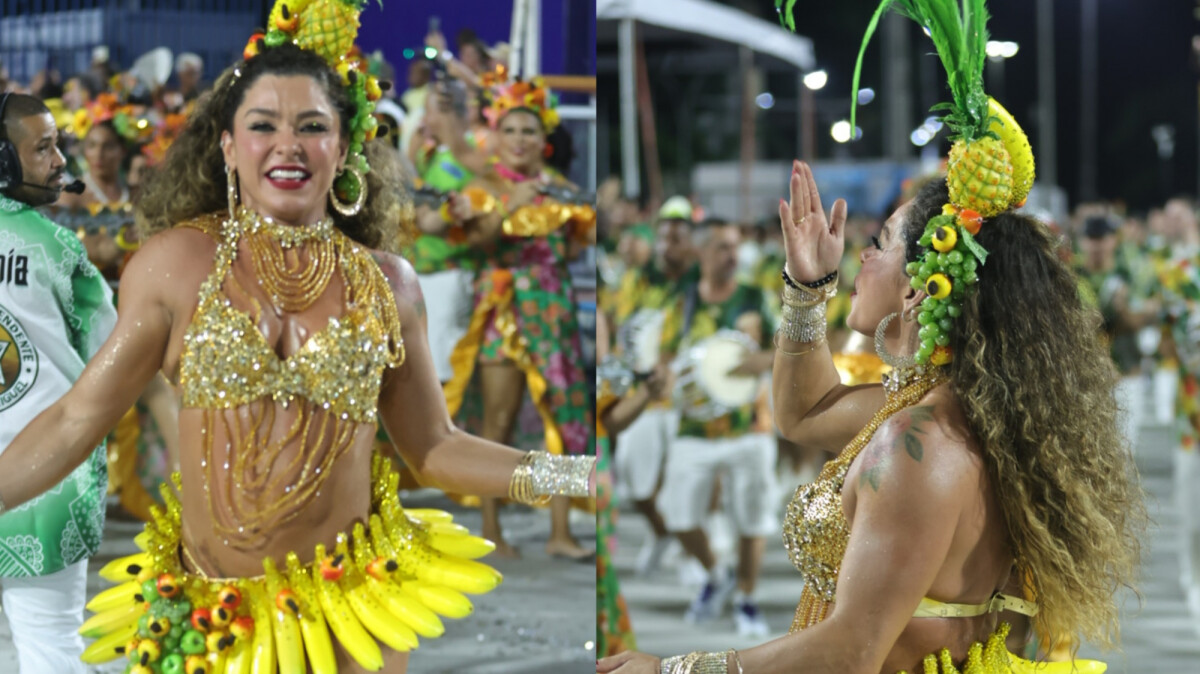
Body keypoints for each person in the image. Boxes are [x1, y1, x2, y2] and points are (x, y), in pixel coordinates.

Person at [0, 21, 593, 674]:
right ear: (227, 145)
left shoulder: (387, 284)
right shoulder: (174, 266)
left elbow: (434, 449)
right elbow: (77, 417)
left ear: (343, 149)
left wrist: (576, 475)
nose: (288, 146)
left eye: (312, 126)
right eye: (263, 125)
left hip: (350, 616)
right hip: (208, 620)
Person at [599, 2, 1142, 672]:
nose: (861, 255)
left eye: (879, 243)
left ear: (921, 285)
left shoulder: (919, 446)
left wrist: (675, 669)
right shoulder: (950, 414)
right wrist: (806, 290)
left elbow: (854, 649)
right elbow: (802, 414)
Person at [443, 75, 595, 561]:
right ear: (495, 137)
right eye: (511, 131)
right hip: (500, 311)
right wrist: (521, 200)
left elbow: (574, 246)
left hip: (552, 311)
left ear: (544, 139)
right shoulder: (482, 189)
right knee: (498, 423)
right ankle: (490, 528)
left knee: (562, 416)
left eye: (529, 131)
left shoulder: (565, 190)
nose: (520, 140)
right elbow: (480, 243)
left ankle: (560, 532)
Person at [0, 92, 117, 674]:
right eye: (42, 148)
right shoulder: (55, 248)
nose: (58, 161)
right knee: (51, 653)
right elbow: (109, 351)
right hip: (43, 486)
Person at [656, 217, 777, 636]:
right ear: (702, 252)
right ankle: (716, 573)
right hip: (695, 429)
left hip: (749, 427)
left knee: (752, 519)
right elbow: (665, 360)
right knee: (678, 514)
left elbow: (784, 351)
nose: (732, 255)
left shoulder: (754, 297)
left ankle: (746, 598)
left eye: (735, 247)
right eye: (723, 247)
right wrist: (663, 378)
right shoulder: (682, 302)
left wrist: (738, 367)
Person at [600, 197, 697, 576]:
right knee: (637, 488)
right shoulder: (634, 281)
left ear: (691, 242)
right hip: (641, 397)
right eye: (663, 237)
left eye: (677, 238)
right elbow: (614, 324)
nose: (668, 245)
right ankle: (663, 534)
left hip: (682, 398)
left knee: (683, 483)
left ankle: (695, 555)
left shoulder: (699, 283)